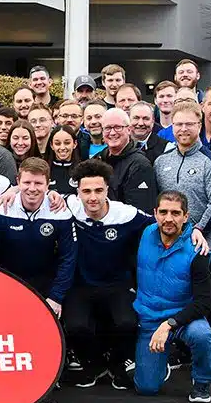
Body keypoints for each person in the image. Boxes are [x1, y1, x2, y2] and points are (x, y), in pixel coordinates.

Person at [61, 160, 154, 389]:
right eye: (86, 191)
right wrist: (13, 190)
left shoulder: (126, 214)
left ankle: (118, 362)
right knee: (75, 327)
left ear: (107, 191)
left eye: (98, 190)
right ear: (78, 193)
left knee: (126, 323)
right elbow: (34, 193)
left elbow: (159, 225)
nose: (92, 197)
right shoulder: (67, 206)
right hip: (80, 285)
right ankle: (95, 363)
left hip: (117, 285)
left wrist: (194, 234)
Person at [153, 101, 211, 363]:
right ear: (171, 127)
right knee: (182, 296)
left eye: (189, 124)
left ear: (200, 125)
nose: (183, 129)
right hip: (173, 245)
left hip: (207, 242)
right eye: (179, 124)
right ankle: (182, 350)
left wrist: (198, 228)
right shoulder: (162, 161)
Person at [133, 191, 211, 403]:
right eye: (163, 212)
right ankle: (161, 366)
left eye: (175, 213)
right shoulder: (145, 234)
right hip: (149, 318)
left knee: (202, 336)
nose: (168, 218)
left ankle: (202, 382)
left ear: (186, 216)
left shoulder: (197, 249)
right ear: (155, 213)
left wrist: (169, 324)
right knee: (146, 388)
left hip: (183, 317)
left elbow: (203, 304)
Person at [0, 158, 76, 310]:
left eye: (38, 183)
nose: (32, 188)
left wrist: (56, 297)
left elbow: (68, 259)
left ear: (47, 184)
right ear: (18, 182)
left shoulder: (60, 212)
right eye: (27, 183)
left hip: (45, 285)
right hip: (6, 280)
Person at [98, 108, 157, 213]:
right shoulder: (97, 161)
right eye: (107, 128)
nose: (112, 133)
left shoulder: (140, 165)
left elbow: (141, 211)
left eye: (118, 127)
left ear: (129, 130)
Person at [47, 125, 81, 196]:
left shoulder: (83, 170)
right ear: (51, 145)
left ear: (75, 144)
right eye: (57, 143)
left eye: (67, 143)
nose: (62, 147)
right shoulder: (43, 169)